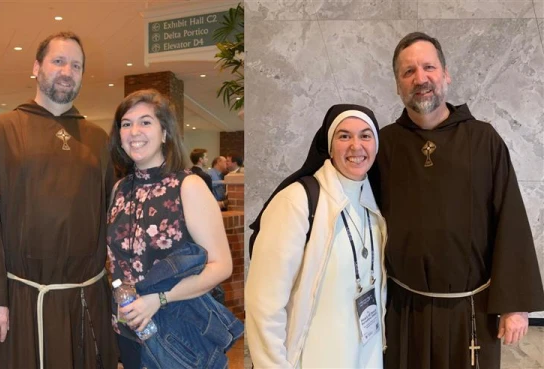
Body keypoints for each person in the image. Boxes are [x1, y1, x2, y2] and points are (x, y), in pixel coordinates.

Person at [371, 32, 544, 369]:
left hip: (471, 309)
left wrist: (514, 305)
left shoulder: (483, 139)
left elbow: (509, 218)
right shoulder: (385, 145)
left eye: (428, 67)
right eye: (408, 72)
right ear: (397, 85)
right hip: (403, 309)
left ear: (446, 75)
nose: (420, 79)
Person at [0, 31, 117, 369]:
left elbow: (111, 218)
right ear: (36, 67)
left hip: (86, 297)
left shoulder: (98, 141)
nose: (67, 71)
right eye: (58, 61)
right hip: (24, 299)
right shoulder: (3, 131)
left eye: (76, 65)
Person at [107, 89, 243, 369]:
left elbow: (221, 266)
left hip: (178, 331)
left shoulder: (187, 185)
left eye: (146, 122)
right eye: (126, 123)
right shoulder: (119, 189)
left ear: (165, 133)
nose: (135, 131)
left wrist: (159, 299)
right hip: (129, 331)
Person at [246, 104, 387, 368]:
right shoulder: (296, 201)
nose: (356, 146)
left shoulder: (374, 205)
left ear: (376, 146)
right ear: (329, 146)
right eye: (344, 136)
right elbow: (263, 303)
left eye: (365, 136)